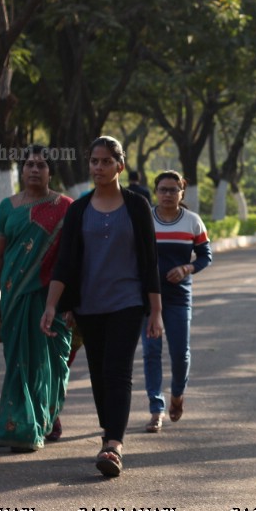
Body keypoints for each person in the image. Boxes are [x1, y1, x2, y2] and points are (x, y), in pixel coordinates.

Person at [41, 136, 162, 477]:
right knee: (97, 373)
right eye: (94, 161)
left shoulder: (136, 206)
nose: (98, 167)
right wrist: (52, 305)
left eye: (105, 161)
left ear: (119, 166)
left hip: (128, 302)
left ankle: (113, 444)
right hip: (89, 305)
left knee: (116, 369)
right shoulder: (79, 210)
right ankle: (109, 434)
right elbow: (64, 264)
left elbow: (150, 261)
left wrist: (156, 311)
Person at [0, 148, 73, 452]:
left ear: (51, 172)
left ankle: (46, 416)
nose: (35, 169)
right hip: (14, 297)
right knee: (20, 365)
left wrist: (73, 301)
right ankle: (22, 428)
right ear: (21, 171)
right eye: (29, 164)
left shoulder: (66, 208)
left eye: (41, 165)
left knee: (53, 362)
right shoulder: (7, 208)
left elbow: (74, 259)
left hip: (53, 297)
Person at [141, 171, 212, 433]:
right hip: (147, 297)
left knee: (180, 353)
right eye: (163, 189)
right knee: (150, 352)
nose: (168, 194)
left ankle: (177, 395)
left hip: (178, 297)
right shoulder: (145, 218)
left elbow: (205, 256)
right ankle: (155, 409)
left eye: (173, 190)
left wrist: (187, 268)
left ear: (182, 193)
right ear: (156, 191)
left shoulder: (192, 221)